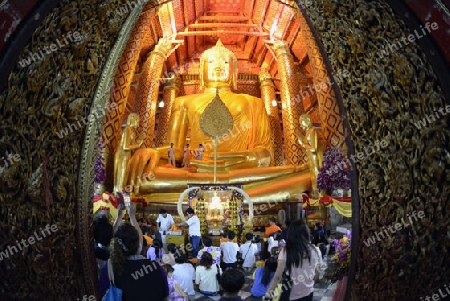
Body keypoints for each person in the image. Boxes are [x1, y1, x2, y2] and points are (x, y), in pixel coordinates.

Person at [126, 40, 311, 202]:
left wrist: (247, 157)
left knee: (300, 175)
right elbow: (176, 152)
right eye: (212, 61)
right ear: (202, 71)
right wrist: (152, 151)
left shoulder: (254, 102)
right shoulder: (183, 102)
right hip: (197, 172)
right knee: (147, 175)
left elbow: (266, 153)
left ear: (234, 72)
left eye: (224, 62)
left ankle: (192, 194)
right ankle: (241, 195)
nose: (218, 66)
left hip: (241, 173)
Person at [99, 203, 169, 300]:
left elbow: (102, 294)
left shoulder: (109, 268)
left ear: (115, 244)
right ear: (139, 245)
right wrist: (132, 216)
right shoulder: (157, 268)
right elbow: (165, 297)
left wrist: (120, 216)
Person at [264, 220, 322, 301]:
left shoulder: (286, 250)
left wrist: (269, 292)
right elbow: (317, 272)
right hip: (308, 291)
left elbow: (277, 276)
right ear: (307, 233)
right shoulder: (316, 250)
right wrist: (310, 283)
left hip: (291, 293)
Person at [113, 113, 143, 194]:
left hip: (127, 156)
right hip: (122, 156)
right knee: (121, 177)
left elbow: (131, 147)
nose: (138, 124)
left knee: (125, 176)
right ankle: (118, 197)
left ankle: (120, 196)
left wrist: (138, 144)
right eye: (137, 121)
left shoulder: (132, 132)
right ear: (132, 120)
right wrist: (137, 145)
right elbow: (125, 147)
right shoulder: (127, 130)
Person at [297, 113, 324, 198]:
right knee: (314, 181)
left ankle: (322, 200)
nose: (301, 125)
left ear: (307, 121)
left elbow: (313, 148)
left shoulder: (312, 131)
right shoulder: (308, 132)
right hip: (311, 160)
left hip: (316, 159)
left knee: (318, 180)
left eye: (301, 122)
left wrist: (303, 143)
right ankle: (318, 200)